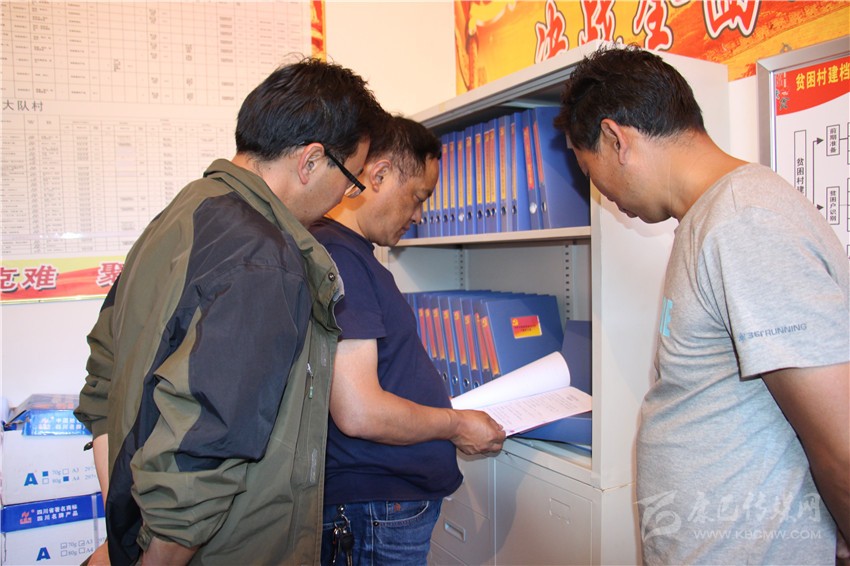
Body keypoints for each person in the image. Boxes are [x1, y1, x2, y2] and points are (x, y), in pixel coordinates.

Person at [73, 58, 388, 566]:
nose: (342, 199)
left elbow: (103, 374)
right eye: (350, 180)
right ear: (311, 161)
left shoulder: (183, 213)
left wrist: (124, 527)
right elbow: (205, 450)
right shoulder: (264, 258)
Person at [554, 45, 848, 565]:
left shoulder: (744, 222)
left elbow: (840, 444)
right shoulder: (715, 218)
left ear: (615, 139)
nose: (596, 191)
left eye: (587, 169)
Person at [308, 115, 506, 565]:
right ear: (378, 175)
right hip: (373, 508)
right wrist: (456, 425)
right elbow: (359, 411)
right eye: (417, 197)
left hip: (379, 507)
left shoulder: (351, 254)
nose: (419, 216)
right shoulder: (341, 257)